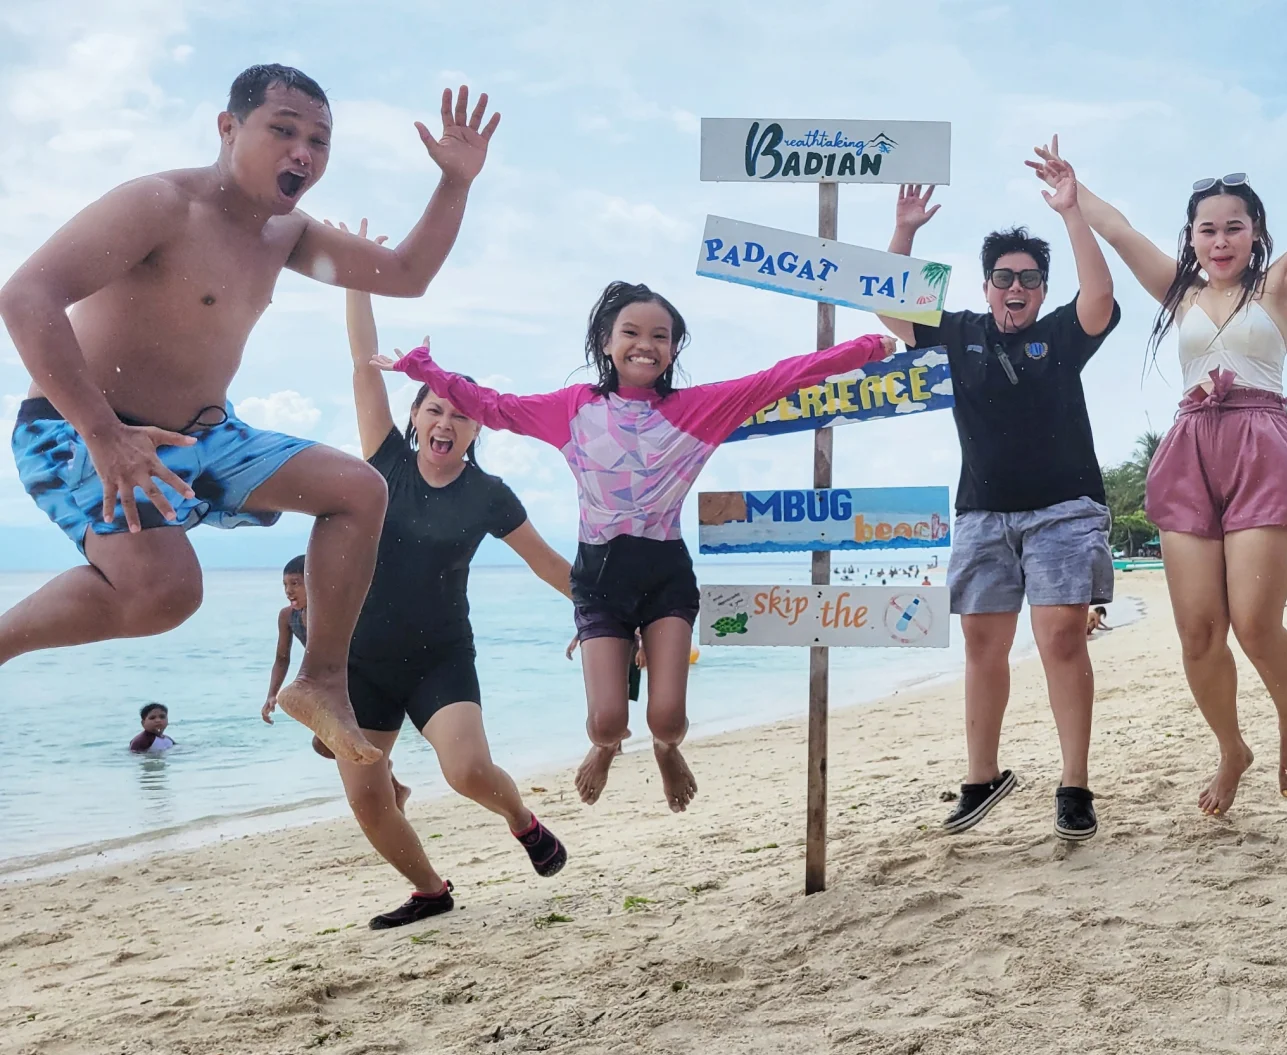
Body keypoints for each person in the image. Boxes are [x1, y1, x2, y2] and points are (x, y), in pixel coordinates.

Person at [0, 66, 502, 768]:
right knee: (167, 594)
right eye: (284, 130)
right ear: (228, 128)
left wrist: (455, 181)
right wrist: (101, 432)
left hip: (205, 433)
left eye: (319, 141)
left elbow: (406, 275)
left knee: (359, 489)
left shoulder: (285, 234)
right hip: (77, 425)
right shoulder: (159, 203)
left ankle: (323, 681)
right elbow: (26, 296)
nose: (304, 152)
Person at [376, 282, 894, 813]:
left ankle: (668, 750)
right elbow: (494, 406)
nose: (644, 344)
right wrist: (425, 370)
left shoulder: (700, 409)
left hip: (664, 574)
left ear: (673, 350)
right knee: (606, 723)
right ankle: (605, 749)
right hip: (599, 584)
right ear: (606, 340)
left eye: (660, 336)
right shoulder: (571, 408)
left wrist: (865, 349)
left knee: (666, 717)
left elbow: (778, 378)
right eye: (630, 332)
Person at [1069, 167, 1287, 814]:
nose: (1219, 240)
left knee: (1253, 624)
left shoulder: (1280, 285)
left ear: (1254, 234)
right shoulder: (1178, 292)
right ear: (1190, 237)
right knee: (1197, 631)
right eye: (1206, 229)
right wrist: (1069, 190)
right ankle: (1230, 749)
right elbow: (1115, 228)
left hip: (1262, 447)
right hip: (1190, 448)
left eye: (1233, 227)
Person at [336, 222, 576, 928]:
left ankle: (523, 821)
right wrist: (356, 275)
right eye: (435, 409)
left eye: (461, 415)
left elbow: (546, 563)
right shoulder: (383, 460)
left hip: (439, 656)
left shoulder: (489, 494)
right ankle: (430, 891)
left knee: (466, 772)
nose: (446, 422)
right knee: (367, 795)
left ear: (477, 428)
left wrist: (602, 617)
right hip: (360, 663)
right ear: (415, 417)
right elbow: (360, 363)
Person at [881, 135, 1119, 842]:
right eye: (1002, 277)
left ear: (1041, 287)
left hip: (1064, 510)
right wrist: (903, 231)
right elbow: (889, 309)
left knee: (1059, 641)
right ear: (984, 284)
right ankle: (981, 777)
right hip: (982, 512)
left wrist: (1072, 212)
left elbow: (1100, 299)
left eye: (1028, 278)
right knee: (981, 648)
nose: (1015, 288)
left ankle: (1073, 786)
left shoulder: (1058, 334)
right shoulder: (957, 332)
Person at [261, 552, 411, 811]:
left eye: (295, 583)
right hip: (328, 685)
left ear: (314, 581)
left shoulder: (336, 609)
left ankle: (389, 786)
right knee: (326, 745)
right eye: (285, 584)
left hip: (355, 680)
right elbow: (282, 657)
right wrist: (272, 694)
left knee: (335, 743)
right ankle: (391, 781)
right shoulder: (287, 616)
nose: (288, 590)